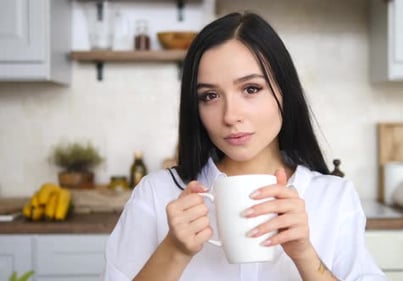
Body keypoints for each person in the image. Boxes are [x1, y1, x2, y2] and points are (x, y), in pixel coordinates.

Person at [102, 11, 387, 281]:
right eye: (210, 96)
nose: (230, 116)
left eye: (251, 89)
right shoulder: (156, 195)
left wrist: (305, 256)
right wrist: (174, 251)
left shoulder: (334, 198)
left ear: (285, 91)